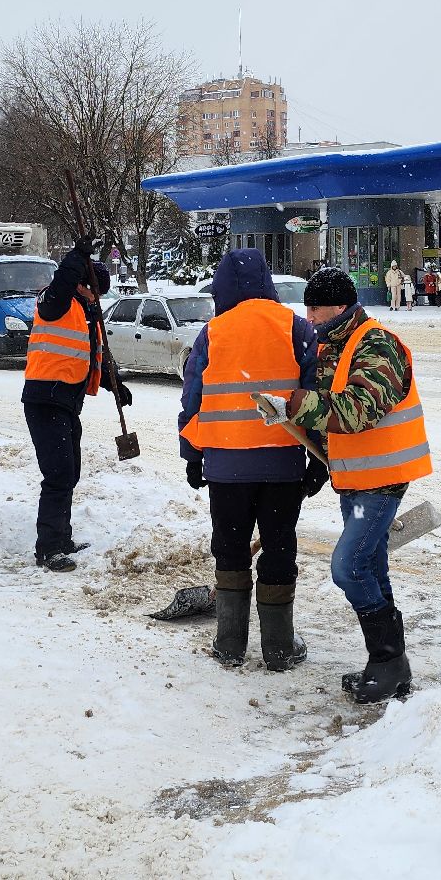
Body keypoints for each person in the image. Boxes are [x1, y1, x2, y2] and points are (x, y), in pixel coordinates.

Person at [287, 268, 432, 705]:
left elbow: (357, 409)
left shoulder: (375, 342)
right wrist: (303, 432)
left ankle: (386, 659)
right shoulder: (331, 343)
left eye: (316, 307)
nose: (309, 316)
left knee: (348, 568)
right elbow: (329, 412)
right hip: (353, 476)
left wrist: (299, 404)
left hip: (383, 479)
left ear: (339, 305)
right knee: (371, 566)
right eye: (307, 307)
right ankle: (392, 665)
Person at [178, 248, 321, 670]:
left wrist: (192, 453)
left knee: (231, 548)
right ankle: (278, 648)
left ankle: (229, 645)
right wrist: (317, 458)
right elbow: (314, 395)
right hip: (282, 465)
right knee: (279, 549)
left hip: (226, 465)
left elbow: (193, 397)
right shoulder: (296, 328)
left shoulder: (213, 332)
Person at [25, 235, 129, 572]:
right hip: (45, 399)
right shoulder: (55, 304)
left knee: (70, 473)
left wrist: (118, 387)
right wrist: (77, 255)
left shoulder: (86, 315)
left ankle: (62, 538)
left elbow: (95, 358)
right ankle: (48, 549)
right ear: (82, 286)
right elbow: (64, 279)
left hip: (67, 402)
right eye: (95, 290)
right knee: (58, 474)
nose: (98, 298)